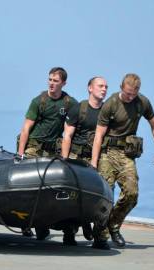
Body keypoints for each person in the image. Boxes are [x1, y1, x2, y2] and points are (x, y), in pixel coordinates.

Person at [91, 73, 154, 248]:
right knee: (106, 197)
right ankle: (100, 236)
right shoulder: (111, 104)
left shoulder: (142, 102)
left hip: (126, 154)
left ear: (138, 91)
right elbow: (99, 134)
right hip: (107, 154)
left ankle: (113, 224)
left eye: (133, 94)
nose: (130, 97)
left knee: (132, 194)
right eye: (127, 93)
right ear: (121, 88)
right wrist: (94, 162)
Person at [17, 67, 78, 245]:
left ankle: (45, 224)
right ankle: (26, 224)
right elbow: (26, 129)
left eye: (55, 80)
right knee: (27, 188)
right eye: (50, 79)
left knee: (50, 191)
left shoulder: (69, 103)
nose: (51, 83)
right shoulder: (39, 101)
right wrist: (21, 154)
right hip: (34, 147)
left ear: (63, 83)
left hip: (53, 150)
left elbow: (71, 130)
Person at [61, 77, 108, 247]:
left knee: (102, 194)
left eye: (106, 87)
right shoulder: (78, 109)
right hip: (76, 157)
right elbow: (67, 136)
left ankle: (99, 236)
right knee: (72, 197)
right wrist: (65, 161)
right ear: (90, 88)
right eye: (100, 86)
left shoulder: (107, 110)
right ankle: (69, 233)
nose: (103, 89)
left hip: (97, 158)